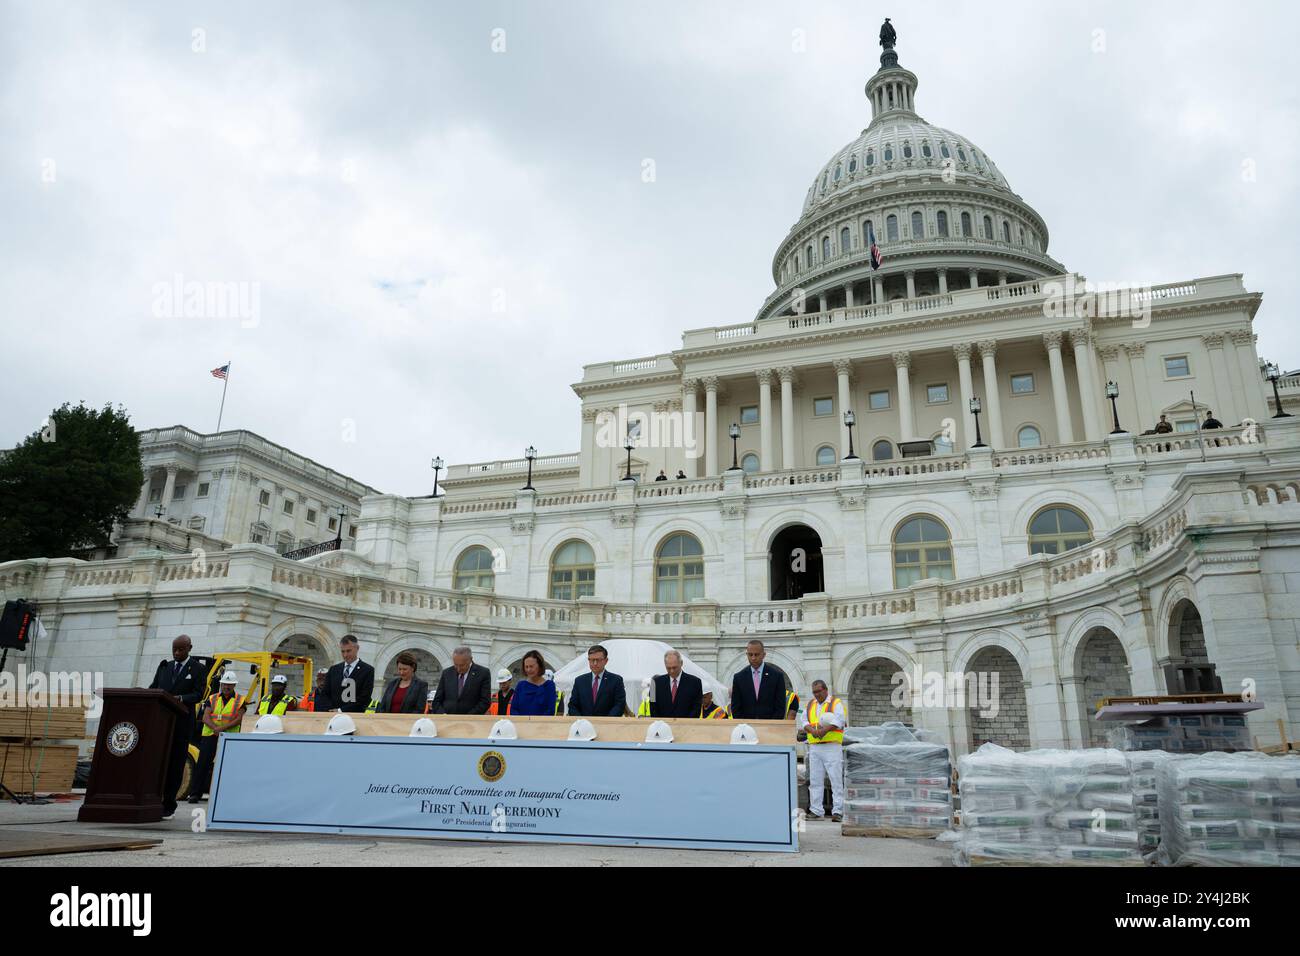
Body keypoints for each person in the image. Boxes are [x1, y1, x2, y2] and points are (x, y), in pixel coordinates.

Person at [147, 635, 210, 819]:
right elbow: (154, 687)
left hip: (181, 724)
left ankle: (168, 805)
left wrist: (181, 698)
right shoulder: (165, 667)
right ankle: (152, 800)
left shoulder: (198, 669)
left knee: (175, 765)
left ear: (189, 648)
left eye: (180, 649)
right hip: (161, 723)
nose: (176, 653)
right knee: (158, 763)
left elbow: (199, 694)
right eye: (174, 649)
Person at [187, 671, 245, 803]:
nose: (226, 687)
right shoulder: (212, 698)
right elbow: (205, 716)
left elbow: (239, 719)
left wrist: (221, 729)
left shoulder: (240, 700)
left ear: (234, 685)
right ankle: (195, 793)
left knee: (227, 766)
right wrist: (215, 728)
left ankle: (224, 794)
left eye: (229, 685)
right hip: (210, 735)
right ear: (221, 684)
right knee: (203, 764)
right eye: (225, 684)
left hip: (229, 737)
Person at [803, 680, 848, 822]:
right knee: (815, 780)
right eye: (814, 692)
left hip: (831, 746)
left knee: (835, 779)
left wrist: (823, 731)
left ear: (825, 690)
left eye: (819, 691)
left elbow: (839, 720)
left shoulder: (835, 703)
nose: (817, 695)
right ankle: (816, 810)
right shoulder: (810, 704)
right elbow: (804, 721)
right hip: (815, 746)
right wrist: (812, 730)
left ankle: (838, 811)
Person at [729, 640, 787, 720]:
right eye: (750, 655)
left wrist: (771, 725)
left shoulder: (777, 676)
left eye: (756, 655)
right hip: (747, 727)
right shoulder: (739, 678)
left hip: (770, 727)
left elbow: (780, 707)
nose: (753, 658)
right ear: (746, 655)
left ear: (763, 655)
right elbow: (735, 707)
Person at [318, 635, 374, 713]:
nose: (345, 655)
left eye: (348, 651)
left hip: (355, 716)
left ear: (357, 648)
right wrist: (330, 710)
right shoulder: (333, 670)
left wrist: (341, 710)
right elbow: (325, 694)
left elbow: (364, 698)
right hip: (333, 716)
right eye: (343, 651)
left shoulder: (368, 670)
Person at [568, 644, 626, 717]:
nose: (595, 663)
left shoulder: (616, 680)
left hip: (607, 725)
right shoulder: (579, 681)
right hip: (584, 725)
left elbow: (619, 705)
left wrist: (606, 721)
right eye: (592, 660)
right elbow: (573, 705)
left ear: (606, 661)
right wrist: (581, 721)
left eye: (598, 660)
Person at [430, 646, 492, 714]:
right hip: (447, 719)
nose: (458, 669)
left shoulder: (483, 673)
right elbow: (437, 701)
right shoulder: (447, 673)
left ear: (470, 659)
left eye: (462, 665)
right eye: (456, 665)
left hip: (471, 720)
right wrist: (443, 714)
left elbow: (485, 701)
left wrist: (468, 717)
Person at [651, 650, 703, 718]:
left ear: (681, 663)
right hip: (663, 726)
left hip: (686, 726)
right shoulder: (655, 683)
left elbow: (696, 708)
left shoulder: (695, 682)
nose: (672, 671)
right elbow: (652, 708)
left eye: (674, 667)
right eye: (668, 668)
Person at [508, 650, 556, 716]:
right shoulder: (520, 686)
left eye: (531, 666)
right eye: (526, 667)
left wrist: (536, 724)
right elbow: (513, 710)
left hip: (542, 725)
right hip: (521, 725)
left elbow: (550, 711)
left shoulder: (549, 686)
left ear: (539, 666)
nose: (528, 670)